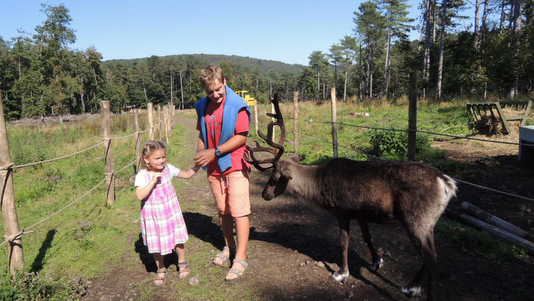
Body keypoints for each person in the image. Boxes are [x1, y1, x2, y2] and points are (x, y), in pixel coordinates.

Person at [194, 65, 251, 282]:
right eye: (211, 92)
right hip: (214, 167)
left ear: (224, 81)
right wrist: (201, 156)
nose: (216, 95)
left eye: (219, 89)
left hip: (235, 163)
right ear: (205, 91)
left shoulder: (238, 105)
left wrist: (214, 151)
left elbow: (241, 137)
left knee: (239, 211)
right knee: (223, 209)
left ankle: (241, 257)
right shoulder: (202, 107)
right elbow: (202, 134)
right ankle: (229, 246)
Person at [134, 140, 200, 287]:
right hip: (153, 217)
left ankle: (182, 262)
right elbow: (139, 195)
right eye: (157, 158)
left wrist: (198, 166)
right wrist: (152, 182)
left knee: (177, 238)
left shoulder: (168, 169)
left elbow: (187, 174)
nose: (161, 160)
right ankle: (161, 269)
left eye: (163, 157)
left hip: (171, 214)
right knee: (156, 242)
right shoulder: (142, 175)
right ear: (146, 159)